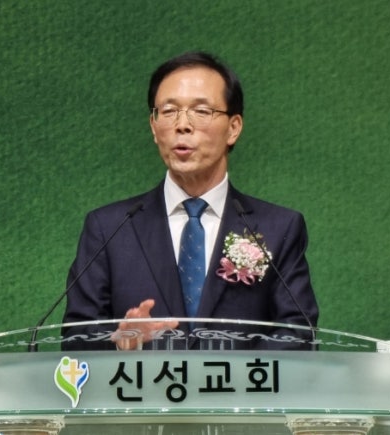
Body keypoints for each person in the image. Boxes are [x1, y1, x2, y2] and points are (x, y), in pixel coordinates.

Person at [61, 51, 318, 350]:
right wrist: (120, 344)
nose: (182, 125)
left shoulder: (278, 228)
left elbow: (298, 333)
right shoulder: (109, 228)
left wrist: (231, 378)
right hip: (143, 381)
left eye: (201, 111)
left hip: (241, 383)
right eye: (169, 111)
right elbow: (75, 339)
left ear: (233, 128)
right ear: (154, 127)